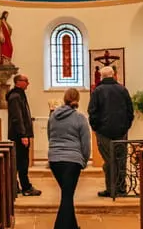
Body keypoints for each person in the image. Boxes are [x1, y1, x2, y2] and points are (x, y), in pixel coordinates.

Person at [47, 87, 91, 229]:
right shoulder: (80, 118)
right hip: (72, 161)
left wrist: (53, 152)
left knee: (67, 194)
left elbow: (49, 136)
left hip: (54, 160)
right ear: (77, 99)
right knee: (67, 196)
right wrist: (84, 160)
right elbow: (86, 142)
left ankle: (73, 226)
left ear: (64, 98)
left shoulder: (53, 116)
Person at [87, 65, 134, 197]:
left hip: (104, 132)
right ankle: (121, 188)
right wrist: (126, 127)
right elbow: (130, 111)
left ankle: (111, 189)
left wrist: (96, 128)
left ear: (101, 77)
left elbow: (92, 111)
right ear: (113, 75)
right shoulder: (122, 90)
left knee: (109, 161)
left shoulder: (97, 91)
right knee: (121, 160)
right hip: (121, 131)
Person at [6, 74, 41, 196]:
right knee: (22, 162)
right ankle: (26, 188)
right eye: (26, 81)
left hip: (20, 134)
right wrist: (23, 135)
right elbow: (17, 117)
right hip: (19, 135)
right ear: (18, 82)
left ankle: (15, 186)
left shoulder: (18, 95)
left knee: (19, 162)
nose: (28, 83)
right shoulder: (15, 96)